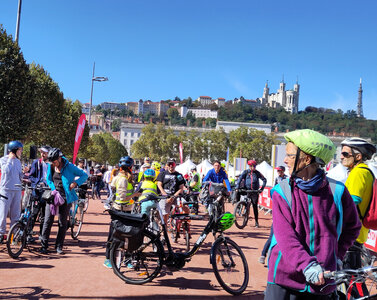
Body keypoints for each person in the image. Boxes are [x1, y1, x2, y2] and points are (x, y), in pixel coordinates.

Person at [265, 129, 361, 300]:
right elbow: (285, 236)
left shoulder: (337, 191)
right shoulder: (282, 191)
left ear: (307, 159)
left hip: (323, 280)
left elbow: (353, 227)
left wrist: (336, 255)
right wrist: (308, 265)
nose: (285, 160)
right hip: (284, 278)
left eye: (290, 155)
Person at [340, 137, 376, 298]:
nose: (341, 156)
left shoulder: (358, 173)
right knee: (351, 280)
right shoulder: (365, 172)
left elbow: (351, 204)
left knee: (354, 283)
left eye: (345, 153)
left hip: (350, 237)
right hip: (356, 235)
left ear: (358, 156)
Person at [40, 148, 88, 254]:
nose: (53, 164)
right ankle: (44, 245)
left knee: (62, 223)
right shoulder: (51, 166)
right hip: (53, 196)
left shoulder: (69, 166)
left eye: (55, 161)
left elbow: (84, 175)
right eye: (52, 162)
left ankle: (59, 246)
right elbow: (49, 179)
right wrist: (53, 190)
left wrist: (75, 183)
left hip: (66, 197)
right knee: (47, 221)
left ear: (60, 158)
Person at [104, 156, 140, 268]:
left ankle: (124, 259)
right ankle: (110, 259)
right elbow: (123, 197)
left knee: (118, 235)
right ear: (130, 167)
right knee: (124, 235)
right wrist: (136, 194)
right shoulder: (123, 179)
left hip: (121, 209)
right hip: (122, 210)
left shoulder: (119, 177)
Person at [259, 165, 287, 264]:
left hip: (285, 215)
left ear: (283, 171)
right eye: (278, 171)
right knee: (272, 237)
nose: (278, 172)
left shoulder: (287, 180)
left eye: (280, 171)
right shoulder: (277, 180)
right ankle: (263, 254)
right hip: (277, 215)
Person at [0, 141, 24, 243]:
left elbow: (19, 176)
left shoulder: (18, 162)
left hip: (17, 190)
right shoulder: (3, 159)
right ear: (14, 150)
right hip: (6, 190)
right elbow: (5, 171)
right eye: (20, 150)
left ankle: (13, 235)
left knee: (16, 214)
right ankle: (1, 234)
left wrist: (24, 174)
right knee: (3, 214)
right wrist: (10, 159)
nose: (21, 152)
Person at [28, 145, 51, 242]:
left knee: (44, 215)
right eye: (41, 152)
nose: (42, 154)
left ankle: (42, 235)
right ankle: (29, 234)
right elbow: (31, 176)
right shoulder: (37, 163)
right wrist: (37, 183)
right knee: (33, 213)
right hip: (37, 192)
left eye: (44, 152)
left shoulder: (52, 164)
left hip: (47, 192)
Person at [234, 160, 266, 227]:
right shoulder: (246, 172)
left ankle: (256, 222)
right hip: (247, 190)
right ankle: (238, 206)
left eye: (254, 166)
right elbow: (240, 179)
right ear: (249, 166)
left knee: (254, 206)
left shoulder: (257, 173)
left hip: (254, 192)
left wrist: (261, 189)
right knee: (238, 193)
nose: (252, 167)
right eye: (251, 166)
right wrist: (237, 187)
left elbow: (264, 180)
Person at [156, 158, 186, 226]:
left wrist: (173, 196)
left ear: (175, 165)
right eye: (169, 164)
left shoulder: (178, 175)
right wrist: (165, 195)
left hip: (175, 196)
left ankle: (185, 226)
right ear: (167, 165)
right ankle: (165, 230)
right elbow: (159, 185)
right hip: (164, 197)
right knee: (164, 214)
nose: (171, 166)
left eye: (172, 164)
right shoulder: (162, 174)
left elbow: (181, 188)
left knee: (185, 206)